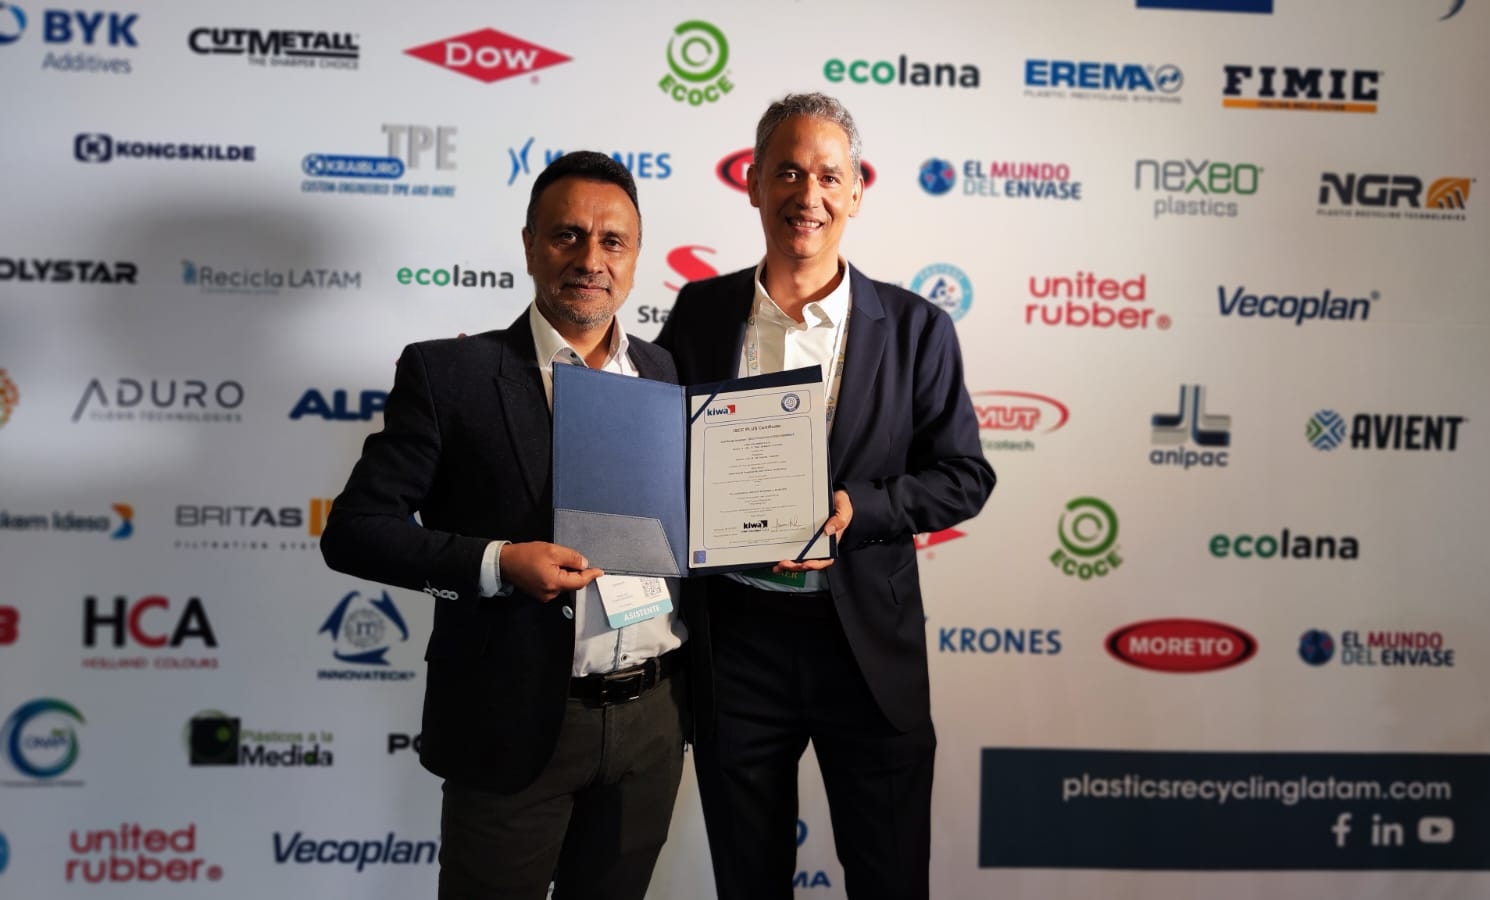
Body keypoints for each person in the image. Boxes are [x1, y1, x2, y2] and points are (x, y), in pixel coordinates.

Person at [320, 151, 687, 900]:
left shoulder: (667, 374)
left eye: (613, 241)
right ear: (529, 245)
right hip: (513, 721)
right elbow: (356, 529)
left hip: (652, 722)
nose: (590, 259)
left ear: (636, 257)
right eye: (567, 235)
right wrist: (497, 563)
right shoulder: (448, 376)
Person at [656, 93, 995, 900]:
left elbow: (964, 476)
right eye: (787, 172)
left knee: (889, 881)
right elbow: (658, 448)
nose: (807, 195)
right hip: (736, 643)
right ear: (752, 184)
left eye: (828, 176)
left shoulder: (916, 328)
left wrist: (859, 509)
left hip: (866, 648)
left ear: (855, 193)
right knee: (748, 881)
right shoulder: (701, 313)